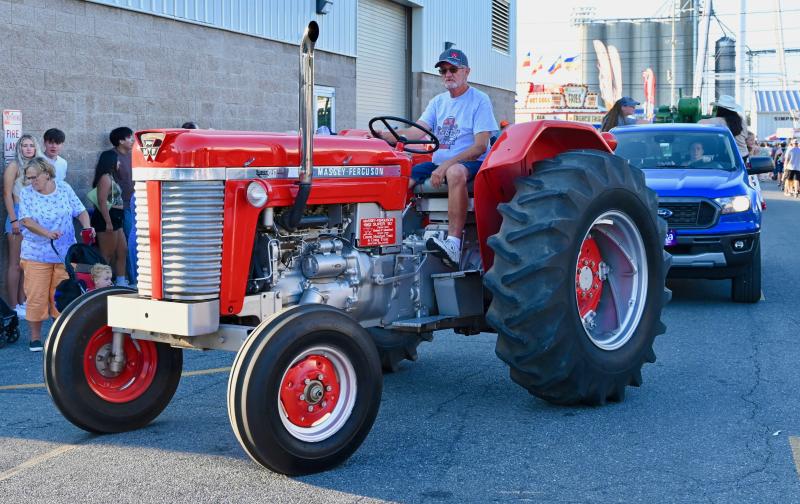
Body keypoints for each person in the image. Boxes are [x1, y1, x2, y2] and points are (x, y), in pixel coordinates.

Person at [375, 48, 497, 267]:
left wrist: (445, 166)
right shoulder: (438, 102)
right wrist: (385, 136)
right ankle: (387, 234)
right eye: (443, 71)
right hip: (439, 163)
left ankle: (453, 244)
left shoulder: (479, 100)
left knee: (455, 172)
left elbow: (480, 147)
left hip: (472, 164)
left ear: (466, 72)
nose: (448, 74)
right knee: (401, 177)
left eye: (453, 69)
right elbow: (416, 132)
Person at [18, 158, 92, 351]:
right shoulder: (26, 193)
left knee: (62, 296)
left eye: (35, 177)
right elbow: (26, 221)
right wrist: (47, 233)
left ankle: (58, 335)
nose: (32, 181)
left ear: (47, 174)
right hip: (36, 254)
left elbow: (80, 211)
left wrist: (87, 227)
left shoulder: (64, 188)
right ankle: (35, 338)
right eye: (29, 178)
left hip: (64, 254)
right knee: (36, 296)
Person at [3, 135, 44, 318]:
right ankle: (13, 306)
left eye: (31, 145)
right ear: (19, 148)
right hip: (18, 214)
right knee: (15, 264)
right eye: (24, 145)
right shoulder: (14, 166)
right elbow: (6, 194)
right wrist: (13, 220)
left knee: (26, 263)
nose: (28, 148)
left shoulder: (39, 166)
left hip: (34, 216)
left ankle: (22, 301)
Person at [90, 150, 128, 286]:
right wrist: (108, 222)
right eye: (117, 160)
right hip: (107, 217)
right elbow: (102, 201)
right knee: (107, 254)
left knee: (122, 250)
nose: (119, 163)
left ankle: (121, 281)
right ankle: (100, 283)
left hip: (117, 217)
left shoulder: (111, 176)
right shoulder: (105, 178)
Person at [106, 127, 135, 281]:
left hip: (137, 204)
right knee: (129, 243)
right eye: (129, 138)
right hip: (122, 207)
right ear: (120, 141)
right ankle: (132, 279)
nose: (132, 141)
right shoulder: (112, 156)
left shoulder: (134, 155)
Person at [699, 95, 748, 160]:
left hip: (729, 157)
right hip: (744, 155)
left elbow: (699, 123)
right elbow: (746, 136)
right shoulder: (741, 120)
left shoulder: (718, 121)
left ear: (719, 109)